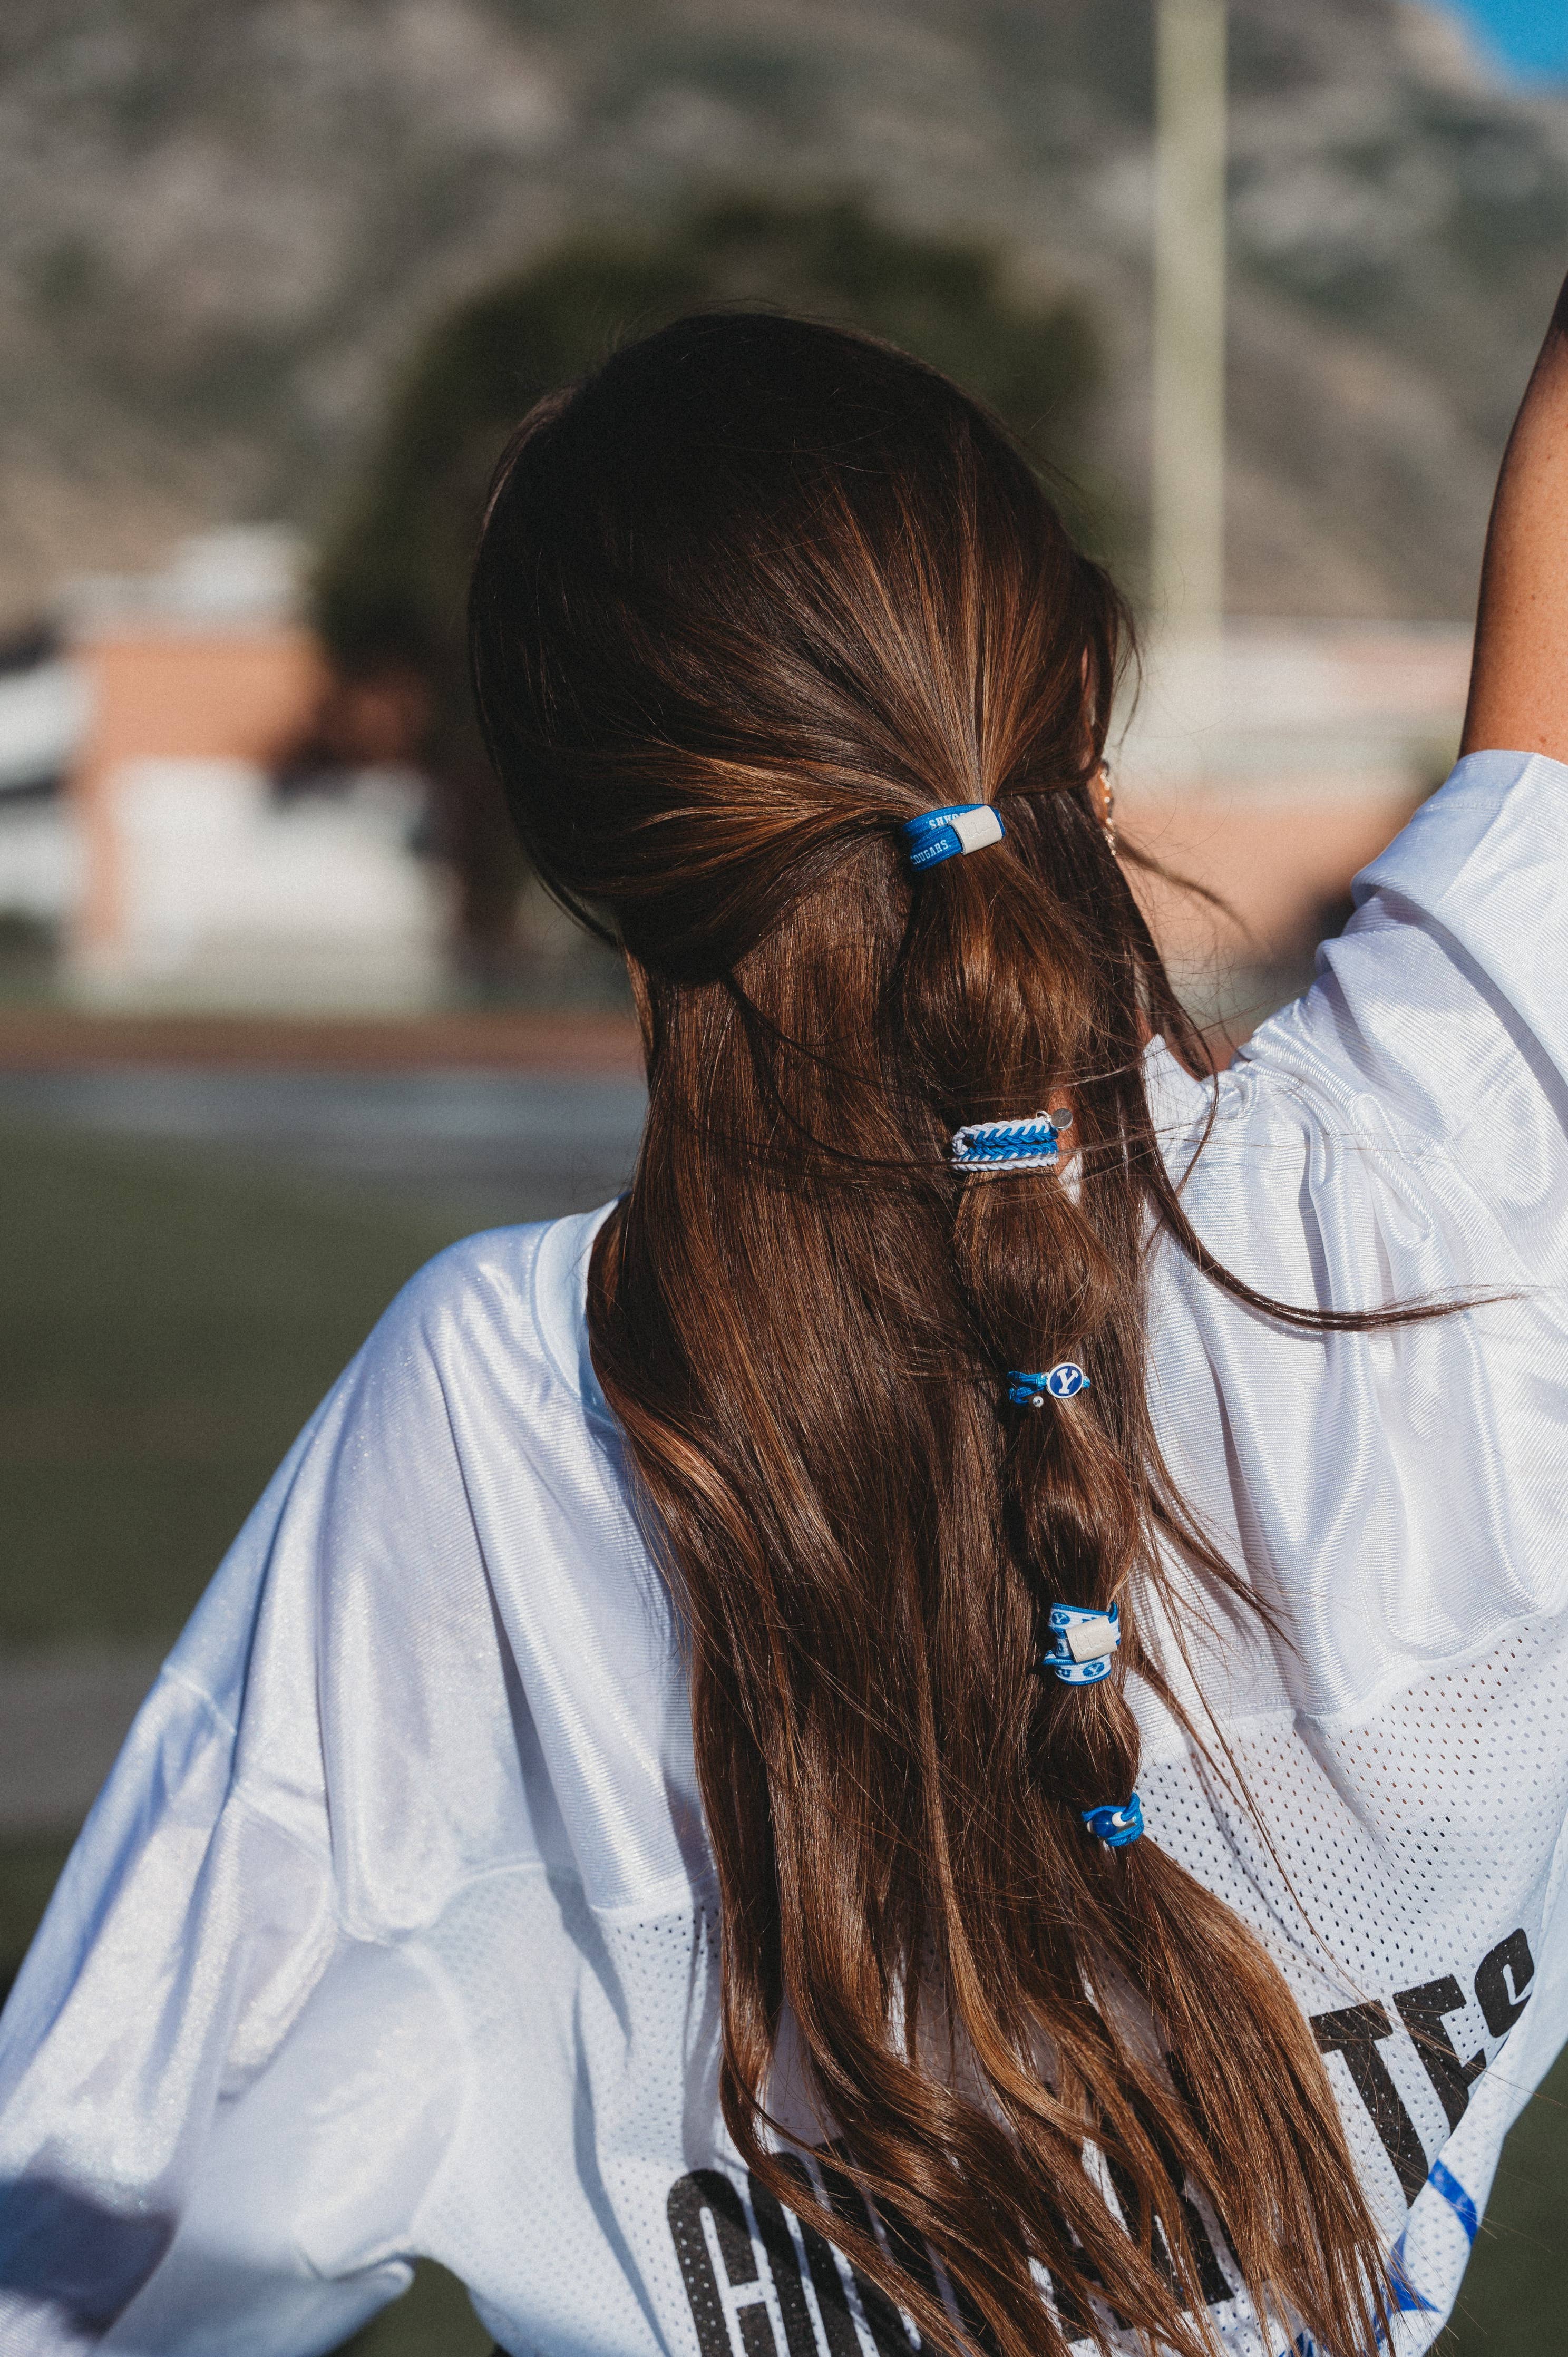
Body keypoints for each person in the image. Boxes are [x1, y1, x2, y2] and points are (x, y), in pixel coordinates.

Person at [2, 295, 1567, 2357]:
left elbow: (69, 2245)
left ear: (600, 865)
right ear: (1079, 705)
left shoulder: (495, 1429)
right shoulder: (1445, 1178)